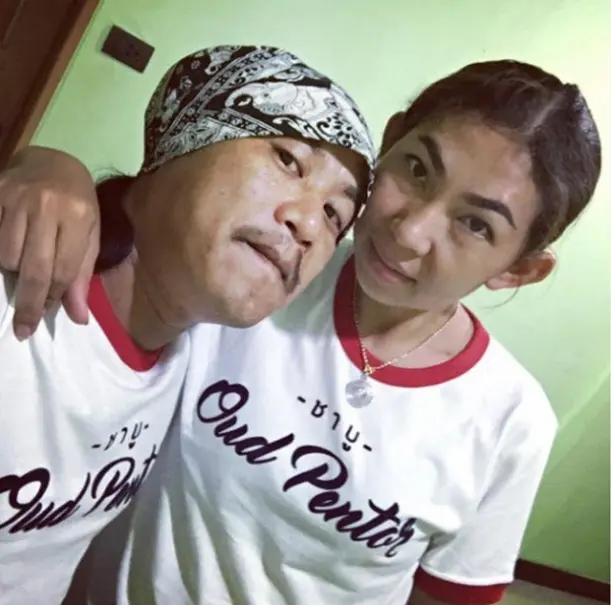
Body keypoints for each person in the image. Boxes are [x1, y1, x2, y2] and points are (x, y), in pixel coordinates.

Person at [0, 59, 601, 605]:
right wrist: (52, 166)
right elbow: (157, 220)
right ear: (391, 141)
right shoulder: (255, 273)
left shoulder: (510, 420)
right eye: (417, 169)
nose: (409, 232)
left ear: (519, 269)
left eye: (475, 224)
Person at [0, 45, 374, 605]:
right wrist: (45, 163)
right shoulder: (17, 304)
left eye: (333, 215)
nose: (306, 224)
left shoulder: (194, 359)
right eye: (288, 160)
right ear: (184, 138)